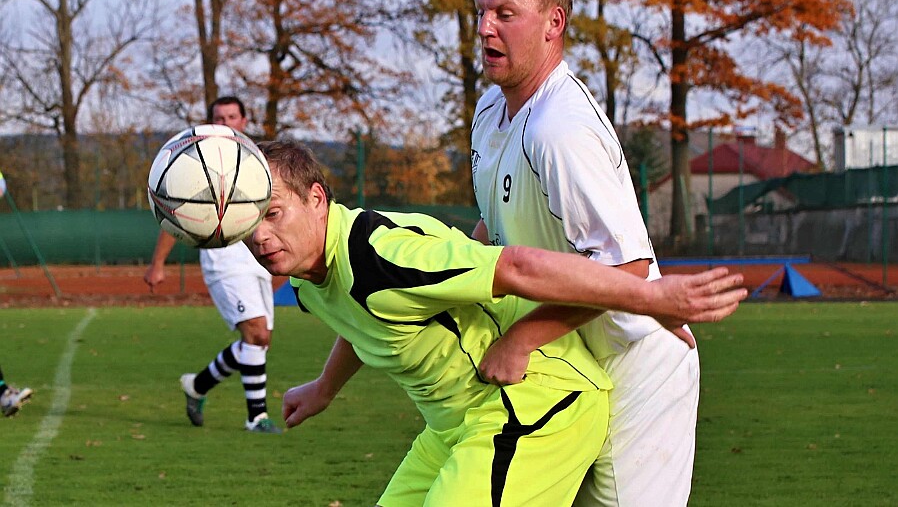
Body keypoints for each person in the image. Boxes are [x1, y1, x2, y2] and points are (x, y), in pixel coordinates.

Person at [245, 139, 745, 506]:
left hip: (533, 403)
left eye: (273, 214)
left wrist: (650, 296)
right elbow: (359, 321)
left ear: (316, 198)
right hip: (453, 426)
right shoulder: (309, 274)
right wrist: (324, 389)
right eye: (249, 223)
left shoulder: (381, 253)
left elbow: (518, 267)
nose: (260, 237)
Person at [470, 0, 700, 506]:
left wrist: (520, 339)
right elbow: (494, 227)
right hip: (567, 363)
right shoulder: (489, 112)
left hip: (633, 363)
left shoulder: (560, 128)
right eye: (480, 12)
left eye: (505, 13)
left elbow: (628, 268)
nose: (484, 28)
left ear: (554, 23)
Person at [144, 96, 279, 434]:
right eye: (219, 117)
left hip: (255, 255)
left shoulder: (254, 160)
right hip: (223, 257)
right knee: (255, 333)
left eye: (232, 116)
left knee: (260, 340)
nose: (226, 122)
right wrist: (158, 263)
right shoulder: (194, 160)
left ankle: (198, 385)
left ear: (244, 121)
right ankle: (257, 417)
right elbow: (175, 212)